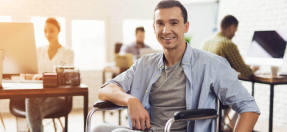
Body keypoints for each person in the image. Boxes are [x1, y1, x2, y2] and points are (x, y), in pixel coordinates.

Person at [93, 1, 260, 132]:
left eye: (174, 23)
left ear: (185, 26)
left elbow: (249, 107)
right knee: (98, 128)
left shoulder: (211, 64)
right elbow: (106, 89)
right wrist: (130, 99)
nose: (166, 30)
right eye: (160, 23)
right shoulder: (145, 63)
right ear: (154, 28)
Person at [202, 15, 260, 131]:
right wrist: (254, 68)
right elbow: (246, 71)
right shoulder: (228, 44)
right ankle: (231, 128)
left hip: (204, 92)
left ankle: (222, 125)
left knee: (230, 92)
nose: (234, 34)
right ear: (231, 28)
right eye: (235, 31)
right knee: (247, 102)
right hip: (218, 94)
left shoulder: (206, 42)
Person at [25, 18, 74, 132]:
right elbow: (32, 71)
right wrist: (28, 73)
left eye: (51, 30)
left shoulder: (68, 52)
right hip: (38, 95)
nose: (47, 34)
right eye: (45, 31)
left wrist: (46, 77)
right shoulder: (38, 51)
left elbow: (67, 76)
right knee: (31, 99)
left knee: (34, 111)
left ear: (59, 30)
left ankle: (33, 128)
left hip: (59, 97)